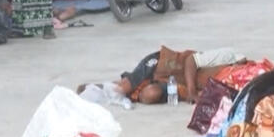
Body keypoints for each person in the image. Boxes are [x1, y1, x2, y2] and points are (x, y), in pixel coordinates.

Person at [88, 47, 244, 105]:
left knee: (150, 94)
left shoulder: (238, 85)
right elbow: (191, 60)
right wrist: (192, 92)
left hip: (175, 85)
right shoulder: (229, 56)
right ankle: (102, 87)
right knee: (124, 88)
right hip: (164, 64)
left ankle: (130, 87)